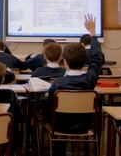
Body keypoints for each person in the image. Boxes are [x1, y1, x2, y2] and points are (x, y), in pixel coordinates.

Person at [41, 14, 104, 156]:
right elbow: (97, 58)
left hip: (60, 126)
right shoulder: (90, 79)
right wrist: (93, 34)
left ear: (65, 62)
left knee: (54, 116)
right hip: (84, 126)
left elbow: (46, 102)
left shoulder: (57, 84)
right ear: (84, 62)